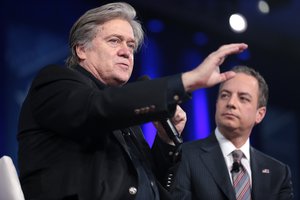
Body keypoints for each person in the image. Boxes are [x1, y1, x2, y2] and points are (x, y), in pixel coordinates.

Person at [17, 2, 248, 200]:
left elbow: (151, 184)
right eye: (114, 41)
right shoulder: (55, 82)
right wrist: (188, 81)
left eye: (130, 45)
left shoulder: (124, 114)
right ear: (81, 50)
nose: (126, 52)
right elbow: (97, 108)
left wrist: (166, 141)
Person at [172, 65, 294, 200]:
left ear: (259, 114)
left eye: (243, 98)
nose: (231, 103)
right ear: (217, 103)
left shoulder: (278, 173)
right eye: (225, 95)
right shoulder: (185, 156)